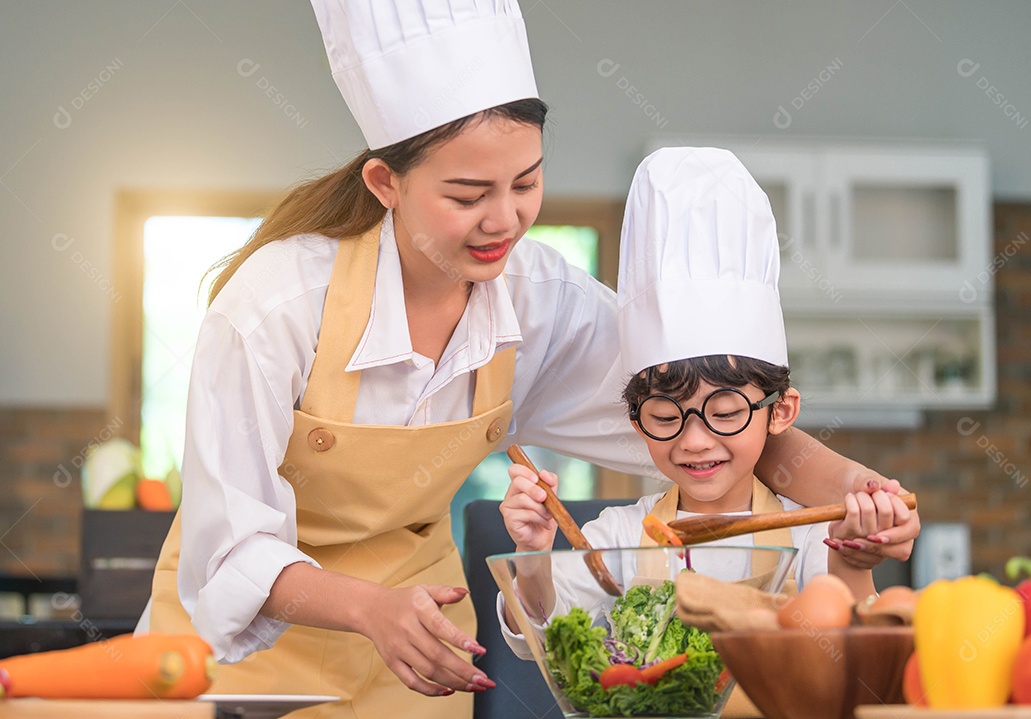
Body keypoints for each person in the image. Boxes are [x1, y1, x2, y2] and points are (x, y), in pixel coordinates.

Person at [138, 2, 918, 717]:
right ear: (386, 182)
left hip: (417, 657)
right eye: (468, 193)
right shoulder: (275, 305)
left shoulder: (541, 302)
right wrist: (367, 607)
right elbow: (231, 544)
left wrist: (862, 494)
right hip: (230, 659)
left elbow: (705, 406)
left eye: (527, 182)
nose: (503, 220)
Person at [498, 147, 915, 636]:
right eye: (665, 415)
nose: (694, 441)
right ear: (636, 421)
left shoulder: (810, 536)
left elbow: (854, 640)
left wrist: (855, 559)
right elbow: (542, 630)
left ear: (780, 411)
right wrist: (532, 557)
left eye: (726, 411)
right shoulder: (618, 536)